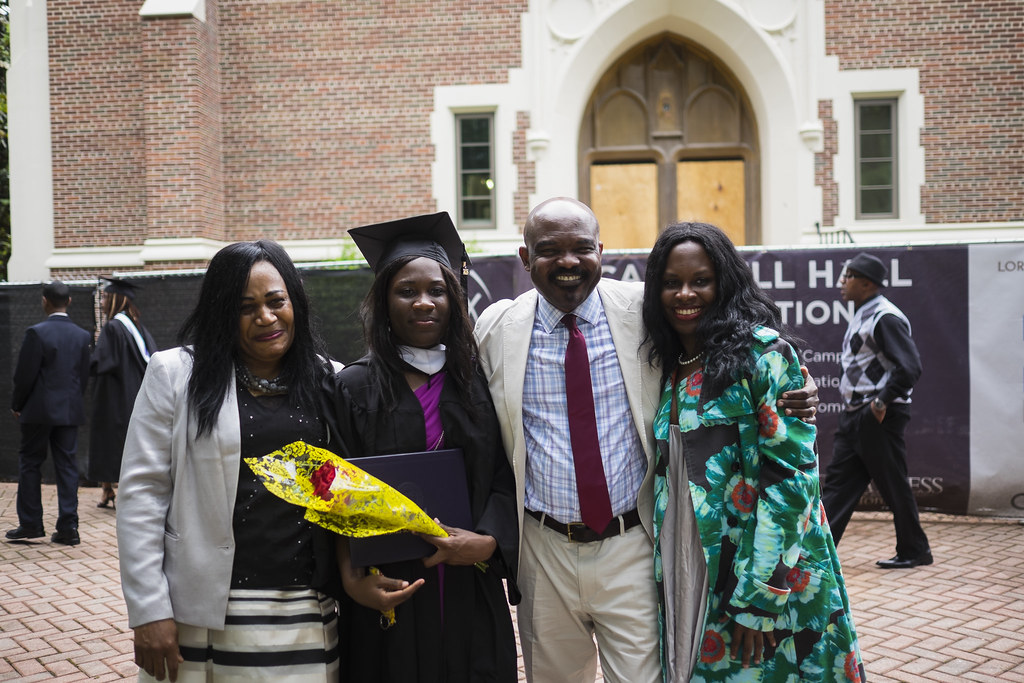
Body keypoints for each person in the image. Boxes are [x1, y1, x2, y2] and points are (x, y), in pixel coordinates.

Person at [474, 198, 819, 683]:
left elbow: (731, 346)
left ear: (602, 251)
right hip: (542, 548)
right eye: (550, 250)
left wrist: (795, 386)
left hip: (632, 543)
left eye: (581, 248)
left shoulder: (645, 311)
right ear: (525, 258)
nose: (568, 262)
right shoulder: (495, 328)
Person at [641, 221, 864, 682]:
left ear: (725, 282)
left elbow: (793, 485)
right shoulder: (664, 364)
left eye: (700, 280)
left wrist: (760, 596)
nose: (685, 293)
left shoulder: (763, 356)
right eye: (670, 283)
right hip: (686, 560)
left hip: (757, 570)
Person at [117, 240, 343, 682]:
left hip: (304, 611)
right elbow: (142, 496)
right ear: (223, 313)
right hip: (205, 611)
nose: (266, 316)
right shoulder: (176, 375)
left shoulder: (329, 379)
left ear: (294, 300)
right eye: (245, 307)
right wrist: (148, 610)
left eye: (276, 301)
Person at [327, 212, 519, 682]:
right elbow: (333, 488)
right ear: (384, 301)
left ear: (455, 299)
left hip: (469, 579)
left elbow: (506, 472)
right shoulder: (353, 386)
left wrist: (491, 541)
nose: (423, 302)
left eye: (436, 290)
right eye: (406, 291)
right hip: (386, 583)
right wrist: (353, 578)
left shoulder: (480, 380)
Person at [822, 252, 931, 570]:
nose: (842, 282)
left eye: (849, 276)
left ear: (867, 282)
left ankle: (915, 550)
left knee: (892, 483)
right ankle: (818, 552)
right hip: (858, 414)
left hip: (878, 415)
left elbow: (910, 367)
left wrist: (880, 404)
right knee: (840, 485)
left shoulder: (885, 316)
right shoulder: (864, 312)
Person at [7, 281, 92, 546]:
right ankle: (69, 528)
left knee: (31, 463)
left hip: (38, 411)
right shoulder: (82, 336)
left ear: (45, 301)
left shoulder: (37, 333)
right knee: (67, 467)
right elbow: (83, 376)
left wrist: (17, 405)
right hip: (68, 411)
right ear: (68, 302)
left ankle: (31, 523)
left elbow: (25, 376)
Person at [89, 277, 157, 509]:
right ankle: (107, 490)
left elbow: (102, 363)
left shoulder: (113, 327)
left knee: (111, 442)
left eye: (106, 297)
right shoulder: (136, 325)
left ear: (117, 299)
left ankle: (116, 490)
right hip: (134, 393)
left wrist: (90, 355)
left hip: (114, 398)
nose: (102, 302)